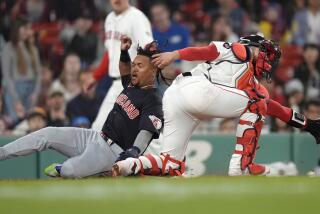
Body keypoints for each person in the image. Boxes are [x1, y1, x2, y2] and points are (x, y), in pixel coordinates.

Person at [112, 35, 320, 177]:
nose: (267, 58)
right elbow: (208, 50)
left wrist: (308, 125)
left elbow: (275, 109)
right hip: (197, 90)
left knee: (172, 165)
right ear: (252, 46)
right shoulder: (241, 51)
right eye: (262, 52)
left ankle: (125, 165)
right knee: (256, 103)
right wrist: (175, 55)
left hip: (177, 96)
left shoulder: (254, 88)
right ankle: (241, 166)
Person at [0, 37, 163, 179]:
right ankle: (2, 152)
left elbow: (146, 131)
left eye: (139, 66)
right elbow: (125, 68)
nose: (134, 68)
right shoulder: (131, 85)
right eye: (134, 65)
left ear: (153, 69)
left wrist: (134, 153)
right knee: (47, 133)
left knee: (69, 170)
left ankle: (80, 170)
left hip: (113, 153)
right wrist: (123, 52)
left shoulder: (153, 99)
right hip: (95, 137)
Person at [87, 0, 153, 131]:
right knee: (98, 128)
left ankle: (166, 151)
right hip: (117, 83)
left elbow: (149, 48)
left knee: (146, 128)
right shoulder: (109, 19)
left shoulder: (136, 17)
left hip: (135, 82)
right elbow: (111, 52)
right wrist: (96, 77)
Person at [1, 17, 41, 123]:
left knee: (29, 121)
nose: (28, 32)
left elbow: (38, 74)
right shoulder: (8, 48)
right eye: (25, 28)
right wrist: (15, 99)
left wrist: (36, 93)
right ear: (17, 29)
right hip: (15, 88)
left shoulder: (33, 49)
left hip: (31, 88)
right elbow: (7, 76)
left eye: (29, 29)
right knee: (15, 120)